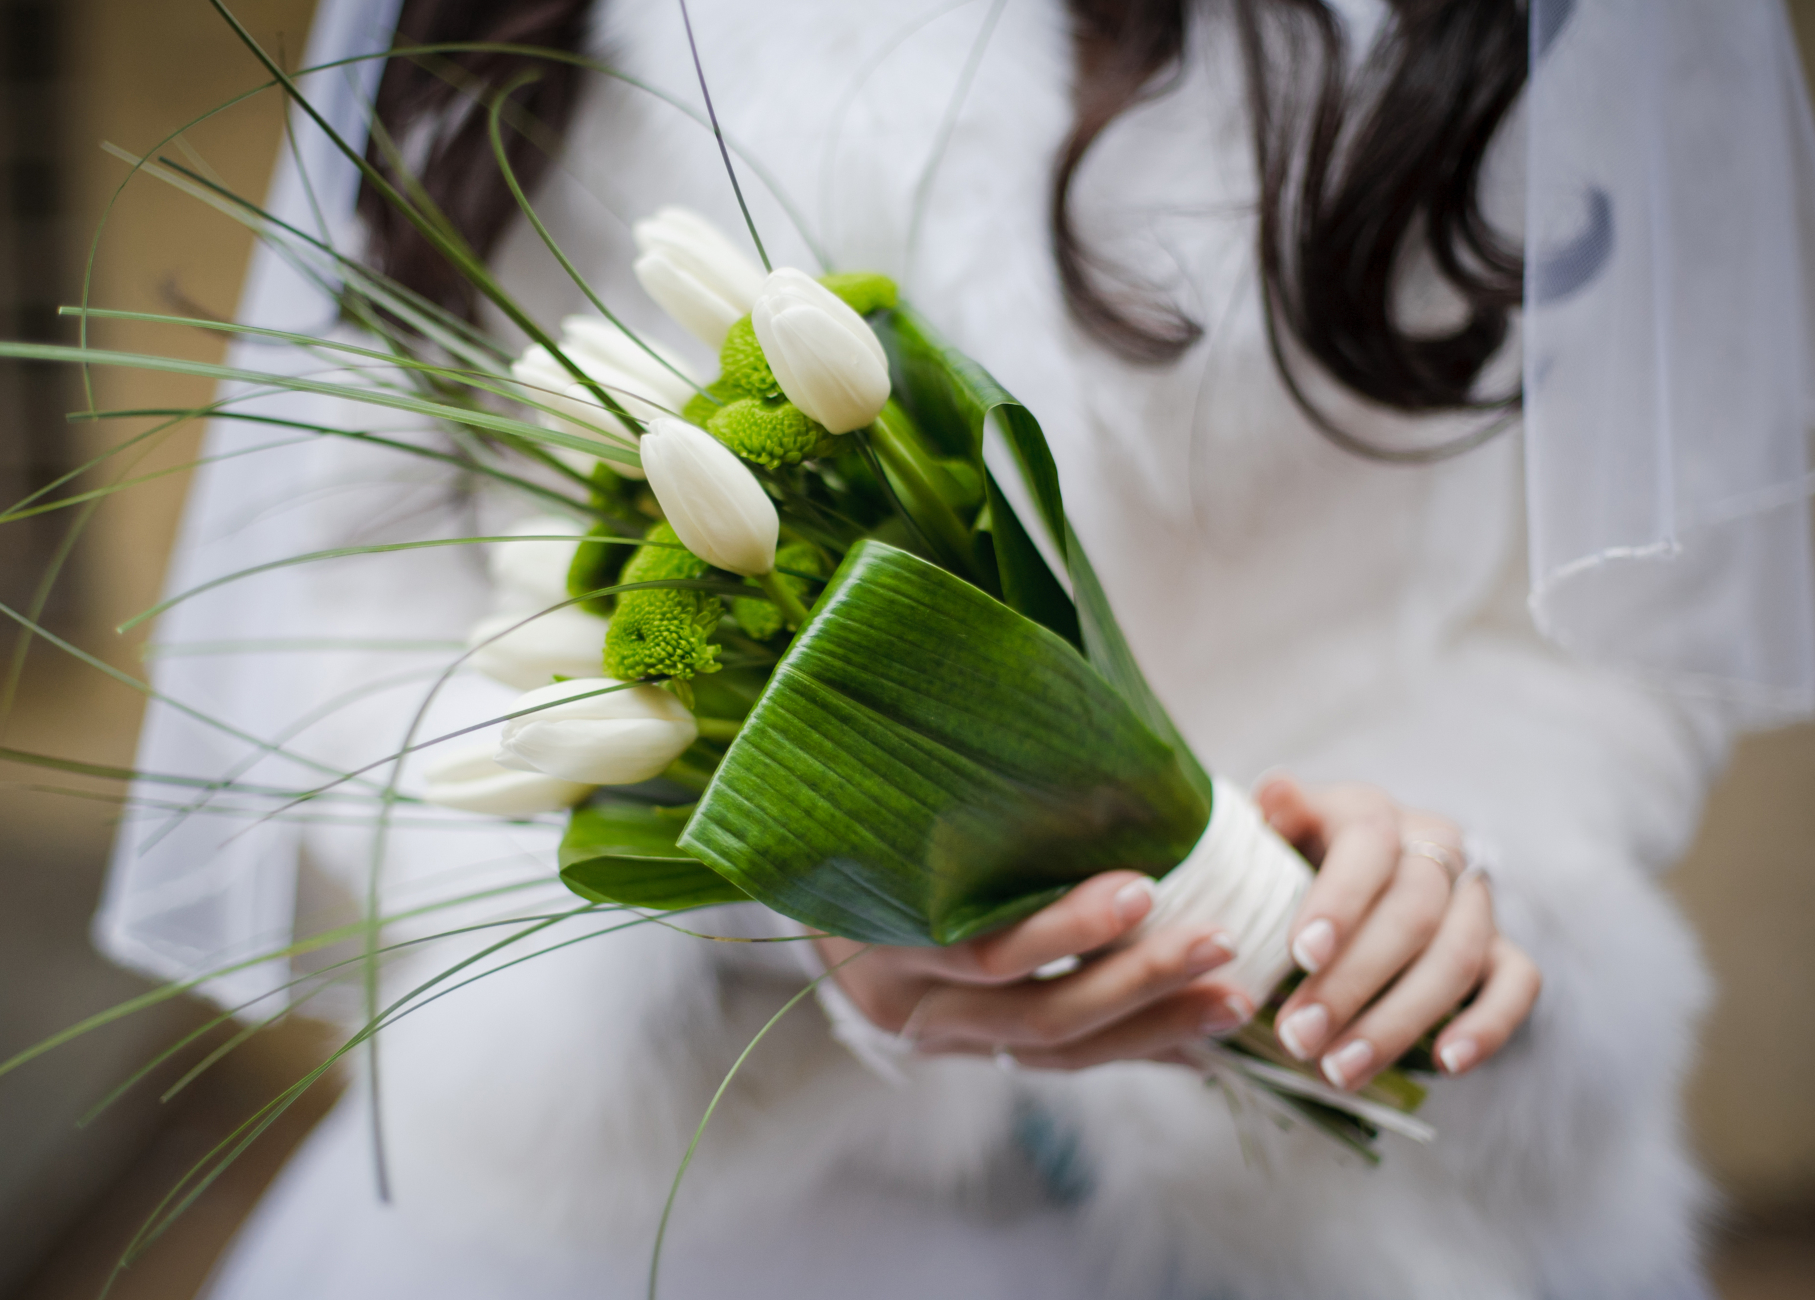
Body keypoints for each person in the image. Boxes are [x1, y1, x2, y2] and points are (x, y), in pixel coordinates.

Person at [95, 1, 1815, 1297]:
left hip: (1346, 1205)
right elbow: (354, 583)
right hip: (677, 1206)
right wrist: (782, 902)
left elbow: (1622, 612)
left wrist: (1420, 881)